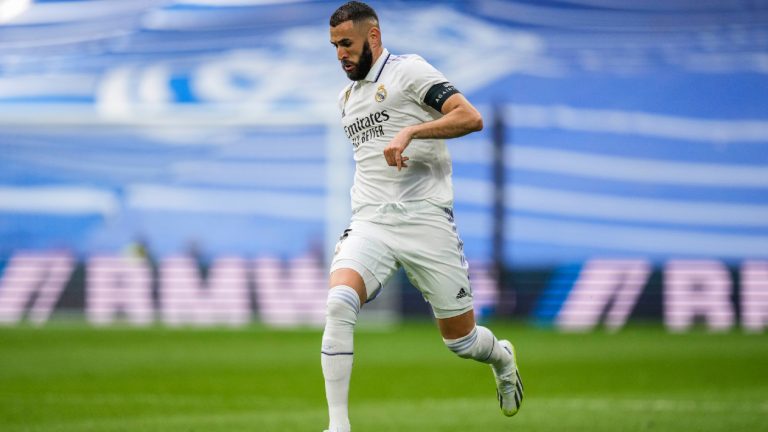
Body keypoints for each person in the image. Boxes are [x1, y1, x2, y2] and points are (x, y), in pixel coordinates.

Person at [321, 2, 523, 431]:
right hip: (371, 220)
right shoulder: (346, 99)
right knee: (339, 302)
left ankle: (502, 358)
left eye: (347, 43)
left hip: (426, 219)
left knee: (463, 342)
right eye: (335, 46)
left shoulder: (409, 72)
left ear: (372, 37)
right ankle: (338, 426)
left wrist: (412, 130)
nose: (341, 53)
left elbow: (470, 117)